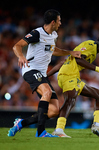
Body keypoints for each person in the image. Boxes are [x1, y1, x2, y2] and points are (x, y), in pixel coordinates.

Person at [8, 9, 81, 137]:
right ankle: (41, 132)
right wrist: (20, 56)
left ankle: (21, 123)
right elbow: (17, 46)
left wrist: (70, 52)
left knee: (53, 111)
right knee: (47, 92)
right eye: (59, 21)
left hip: (42, 74)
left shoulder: (54, 35)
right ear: (53, 22)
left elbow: (53, 50)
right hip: (30, 69)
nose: (60, 23)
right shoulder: (37, 33)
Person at [47, 33, 99, 137]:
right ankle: (58, 130)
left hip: (73, 76)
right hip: (68, 74)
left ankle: (97, 125)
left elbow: (71, 60)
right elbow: (78, 59)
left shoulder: (93, 49)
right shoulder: (91, 46)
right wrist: (98, 69)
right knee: (70, 99)